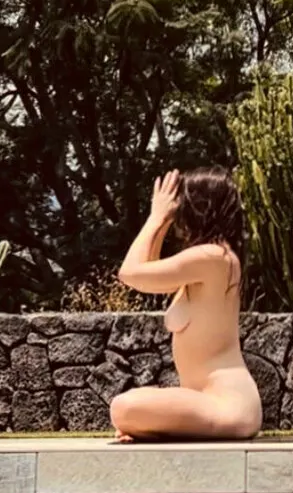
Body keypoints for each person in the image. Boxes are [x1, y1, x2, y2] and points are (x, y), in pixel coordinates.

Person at [109, 168, 263, 442]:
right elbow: (147, 272)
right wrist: (161, 222)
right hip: (206, 402)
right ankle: (152, 429)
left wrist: (157, 217)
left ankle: (148, 427)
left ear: (197, 209)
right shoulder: (209, 260)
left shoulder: (213, 257)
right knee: (130, 405)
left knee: (123, 407)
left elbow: (130, 273)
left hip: (228, 405)